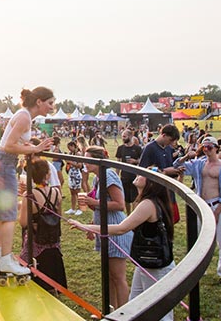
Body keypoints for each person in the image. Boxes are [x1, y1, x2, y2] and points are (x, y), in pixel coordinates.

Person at [71, 174, 175, 321]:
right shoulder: (146, 202)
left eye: (142, 175)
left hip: (155, 265)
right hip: (146, 261)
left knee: (158, 311)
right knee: (136, 303)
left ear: (151, 183)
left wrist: (86, 226)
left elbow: (121, 228)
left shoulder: (148, 204)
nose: (138, 175)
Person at [0, 87, 55, 283]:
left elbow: (10, 143)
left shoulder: (24, 115)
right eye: (50, 103)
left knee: (1, 214)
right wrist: (35, 148)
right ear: (39, 102)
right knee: (8, 215)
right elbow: (8, 145)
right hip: (4, 164)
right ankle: (6, 259)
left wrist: (33, 147)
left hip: (0, 163)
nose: (52, 107)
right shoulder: (25, 117)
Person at [77, 145, 133, 309]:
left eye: (89, 160)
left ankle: (124, 313)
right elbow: (102, 206)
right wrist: (92, 227)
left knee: (118, 277)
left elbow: (120, 204)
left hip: (116, 229)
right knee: (109, 276)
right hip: (104, 229)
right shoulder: (97, 178)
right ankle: (111, 310)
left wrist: (93, 202)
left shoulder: (108, 175)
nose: (85, 163)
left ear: (98, 159)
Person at [173, 136, 221, 277]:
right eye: (204, 147)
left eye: (209, 147)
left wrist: (217, 211)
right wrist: (186, 156)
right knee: (201, 239)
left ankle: (220, 272)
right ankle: (201, 270)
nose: (206, 150)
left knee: (220, 239)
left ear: (216, 148)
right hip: (202, 206)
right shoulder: (199, 164)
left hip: (216, 204)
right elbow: (176, 166)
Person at [19, 157, 67, 294]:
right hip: (53, 243)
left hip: (36, 244)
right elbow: (58, 215)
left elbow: (23, 222)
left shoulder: (29, 195)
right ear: (47, 174)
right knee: (53, 278)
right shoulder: (56, 193)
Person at [138, 124, 183, 223]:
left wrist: (175, 171)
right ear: (164, 135)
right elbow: (142, 170)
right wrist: (164, 171)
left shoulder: (168, 149)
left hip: (168, 192)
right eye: (170, 140)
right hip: (156, 194)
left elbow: (169, 166)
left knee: (170, 222)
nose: (171, 143)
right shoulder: (149, 148)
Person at [115, 129, 143, 214]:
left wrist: (135, 161)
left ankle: (134, 215)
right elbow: (118, 163)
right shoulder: (120, 148)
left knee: (135, 198)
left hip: (135, 177)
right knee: (126, 198)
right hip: (124, 177)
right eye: (122, 136)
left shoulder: (137, 148)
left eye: (124, 136)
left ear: (130, 136)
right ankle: (128, 214)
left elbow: (142, 161)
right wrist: (116, 176)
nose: (123, 138)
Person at [65, 140, 84, 216]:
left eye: (70, 147)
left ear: (74, 146)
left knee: (78, 192)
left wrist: (69, 161)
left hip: (76, 174)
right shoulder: (71, 154)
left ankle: (80, 208)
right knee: (72, 192)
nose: (69, 149)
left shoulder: (78, 154)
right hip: (71, 174)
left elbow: (79, 165)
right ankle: (73, 208)